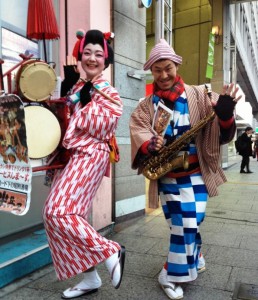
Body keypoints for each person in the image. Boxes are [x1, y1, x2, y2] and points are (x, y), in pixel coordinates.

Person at [129, 39, 241, 300]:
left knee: (191, 221)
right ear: (151, 71)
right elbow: (138, 129)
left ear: (176, 65)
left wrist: (225, 115)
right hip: (167, 175)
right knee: (182, 224)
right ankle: (183, 264)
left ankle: (181, 265)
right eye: (157, 70)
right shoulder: (146, 105)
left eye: (168, 68)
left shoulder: (201, 95)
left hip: (195, 173)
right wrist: (150, 143)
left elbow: (222, 134)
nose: (164, 75)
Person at [42, 29, 125, 299]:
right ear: (80, 55)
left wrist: (86, 105)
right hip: (74, 154)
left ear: (106, 60)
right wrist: (64, 98)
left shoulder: (106, 89)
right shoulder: (78, 87)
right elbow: (63, 117)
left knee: (57, 211)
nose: (92, 58)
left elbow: (106, 123)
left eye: (98, 54)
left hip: (92, 153)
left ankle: (109, 249)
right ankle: (90, 277)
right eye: (87, 52)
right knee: (60, 216)